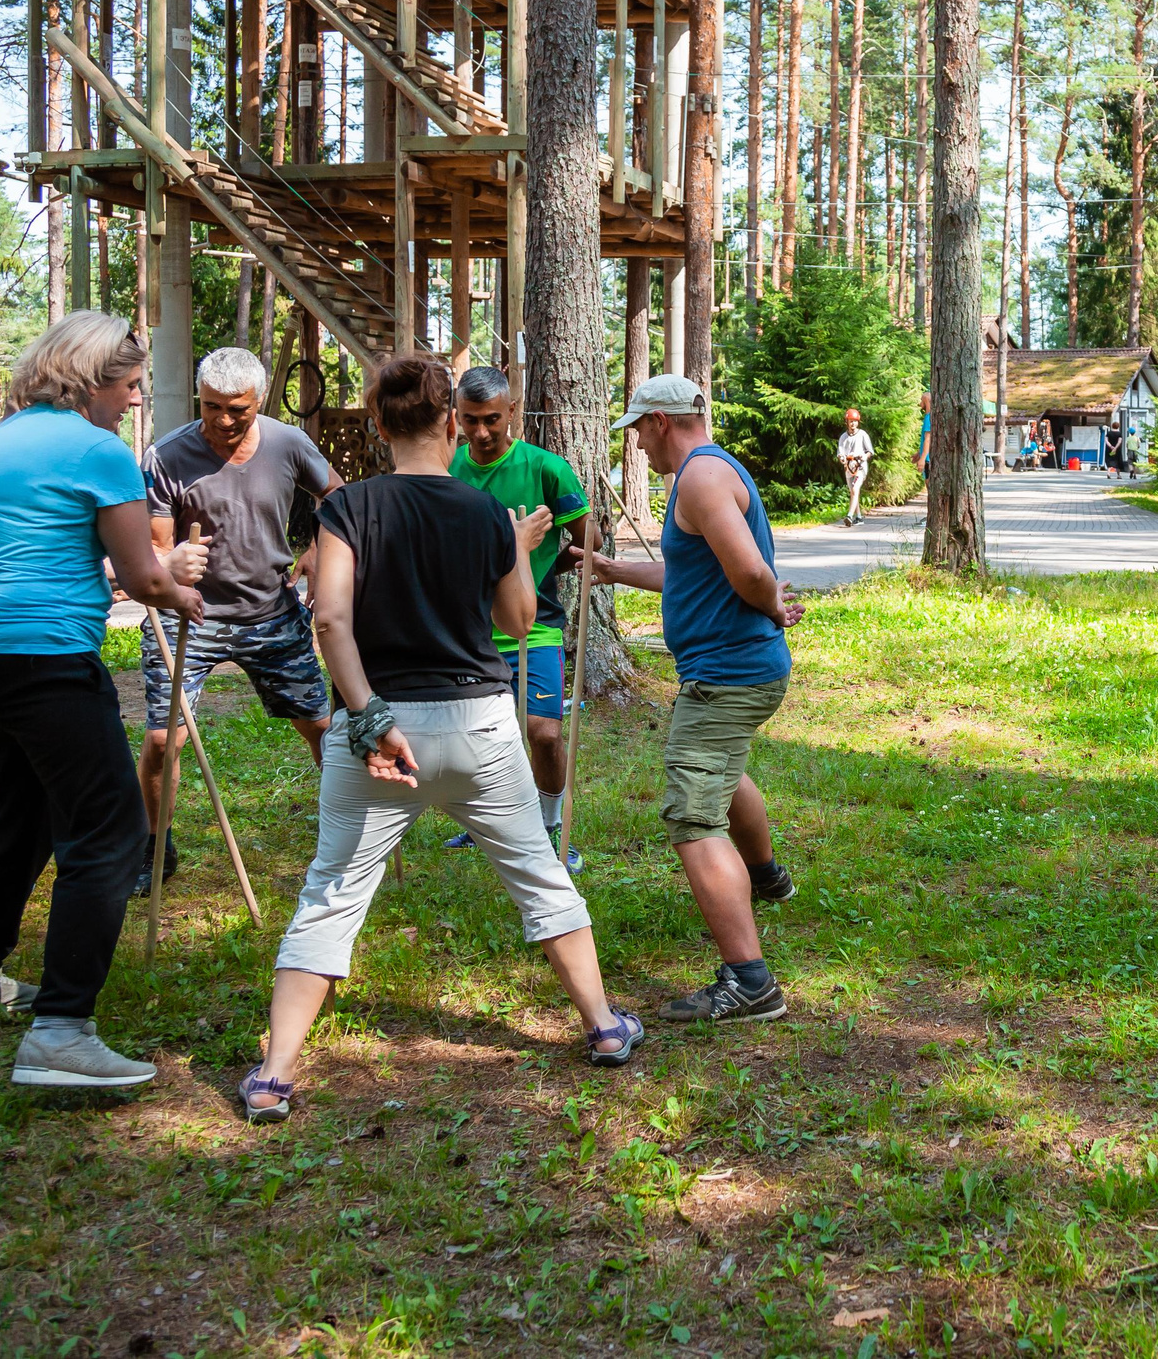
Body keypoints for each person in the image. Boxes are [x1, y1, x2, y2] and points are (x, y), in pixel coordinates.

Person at [238, 355, 641, 1123]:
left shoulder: (347, 509)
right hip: (480, 724)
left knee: (330, 893)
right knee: (540, 874)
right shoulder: (485, 512)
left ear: (379, 425)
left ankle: (275, 1072)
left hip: (380, 733)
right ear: (452, 424)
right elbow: (520, 622)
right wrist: (518, 545)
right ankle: (604, 1027)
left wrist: (368, 717)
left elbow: (329, 621)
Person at [0, 311, 207, 1087]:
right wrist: (182, 589)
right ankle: (61, 1030)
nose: (135, 401)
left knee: (24, 804)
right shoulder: (99, 452)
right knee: (108, 828)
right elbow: (141, 577)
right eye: (129, 386)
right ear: (92, 378)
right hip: (45, 658)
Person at [573, 374, 802, 1025]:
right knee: (722, 774)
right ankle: (766, 877)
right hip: (733, 670)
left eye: (640, 431)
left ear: (662, 422)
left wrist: (773, 605)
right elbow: (697, 569)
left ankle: (750, 981)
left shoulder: (699, 479)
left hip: (727, 674)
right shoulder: (707, 474)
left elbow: (751, 571)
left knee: (693, 816)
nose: (638, 446)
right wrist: (613, 569)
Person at [139, 347, 341, 892]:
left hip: (271, 610)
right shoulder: (166, 456)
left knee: (320, 726)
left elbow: (338, 496)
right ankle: (154, 847)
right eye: (211, 407)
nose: (224, 420)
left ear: (259, 402)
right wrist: (172, 563)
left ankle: (346, 835)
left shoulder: (287, 443)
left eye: (238, 409)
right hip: (190, 615)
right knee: (162, 742)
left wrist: (320, 549)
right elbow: (153, 553)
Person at [444, 367, 596, 872]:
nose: (482, 433)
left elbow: (590, 537)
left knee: (544, 733)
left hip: (536, 623)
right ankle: (484, 822)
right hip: (464, 629)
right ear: (456, 418)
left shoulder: (547, 468)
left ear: (512, 411)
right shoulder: (447, 468)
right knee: (474, 738)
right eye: (470, 421)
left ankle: (551, 826)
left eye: (492, 419)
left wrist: (562, 550)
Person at [836, 407, 875, 525]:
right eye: (851, 421)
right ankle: (859, 517)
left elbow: (870, 451)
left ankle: (849, 516)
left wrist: (864, 457)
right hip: (848, 467)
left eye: (855, 421)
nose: (853, 423)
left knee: (854, 488)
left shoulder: (863, 435)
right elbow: (840, 452)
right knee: (853, 492)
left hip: (860, 466)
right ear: (846, 422)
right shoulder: (843, 437)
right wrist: (842, 459)